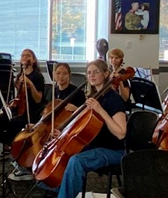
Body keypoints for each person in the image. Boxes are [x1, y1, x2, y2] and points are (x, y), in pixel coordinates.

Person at [40, 59, 128, 198]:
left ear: (106, 74)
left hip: (113, 150)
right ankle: (55, 189)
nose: (91, 75)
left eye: (96, 72)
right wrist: (64, 134)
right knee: (66, 151)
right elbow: (82, 126)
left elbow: (121, 133)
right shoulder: (95, 97)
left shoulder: (113, 99)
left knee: (77, 161)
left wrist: (101, 110)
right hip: (96, 146)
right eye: (88, 73)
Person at [0, 49, 45, 181]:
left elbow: (38, 98)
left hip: (33, 109)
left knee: (15, 122)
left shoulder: (37, 76)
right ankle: (6, 148)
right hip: (21, 106)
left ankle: (16, 153)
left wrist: (31, 85)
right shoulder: (19, 76)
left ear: (33, 60)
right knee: (2, 117)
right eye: (23, 55)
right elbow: (20, 96)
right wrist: (13, 102)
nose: (25, 57)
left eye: (28, 55)